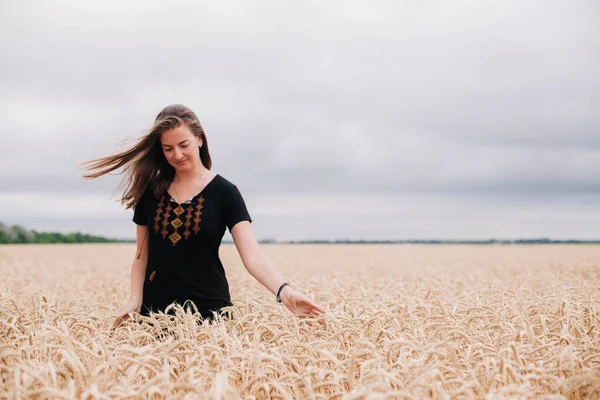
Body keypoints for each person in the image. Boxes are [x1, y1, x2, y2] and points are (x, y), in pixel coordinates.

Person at [82, 104, 326, 324]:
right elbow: (140, 257)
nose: (177, 155)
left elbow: (252, 256)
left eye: (183, 145)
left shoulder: (225, 193)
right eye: (168, 149)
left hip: (211, 315)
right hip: (155, 316)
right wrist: (135, 301)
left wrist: (284, 291)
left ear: (199, 139)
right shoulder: (150, 193)